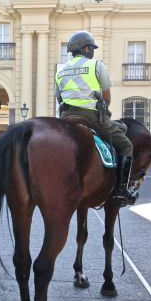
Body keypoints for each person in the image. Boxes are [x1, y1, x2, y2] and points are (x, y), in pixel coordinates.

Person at [55, 31, 135, 207]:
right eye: (91, 48)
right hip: (91, 116)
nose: (92, 51)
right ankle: (121, 191)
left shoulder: (60, 70)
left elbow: (59, 97)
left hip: (66, 117)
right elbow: (106, 98)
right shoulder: (96, 66)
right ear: (85, 48)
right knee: (125, 145)